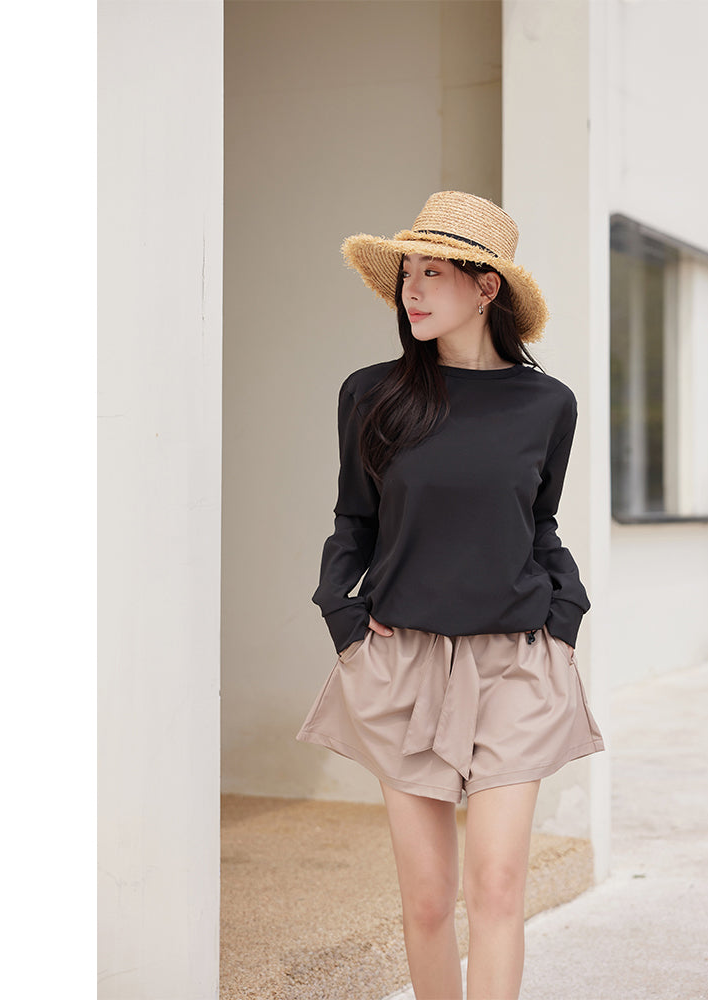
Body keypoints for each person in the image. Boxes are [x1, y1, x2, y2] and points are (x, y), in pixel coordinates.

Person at [297, 191, 603, 1000]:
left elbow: (539, 522)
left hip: (517, 663)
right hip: (403, 661)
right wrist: (343, 618)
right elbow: (354, 521)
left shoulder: (547, 404)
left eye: (433, 273)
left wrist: (565, 619)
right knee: (429, 901)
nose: (413, 291)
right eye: (408, 274)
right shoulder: (372, 394)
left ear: (486, 286)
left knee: (497, 889)